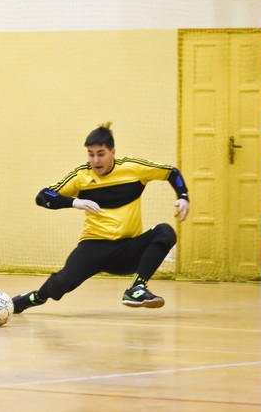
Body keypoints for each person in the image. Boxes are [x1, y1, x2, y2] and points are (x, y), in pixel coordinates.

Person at [12, 122, 189, 314]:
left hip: (128, 250)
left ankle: (136, 288)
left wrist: (183, 196)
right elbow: (43, 196)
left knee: (165, 231)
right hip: (94, 247)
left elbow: (172, 172)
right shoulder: (81, 176)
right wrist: (75, 202)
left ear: (113, 152)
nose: (95, 160)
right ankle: (33, 298)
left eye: (101, 154)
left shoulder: (133, 169)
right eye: (91, 154)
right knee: (62, 282)